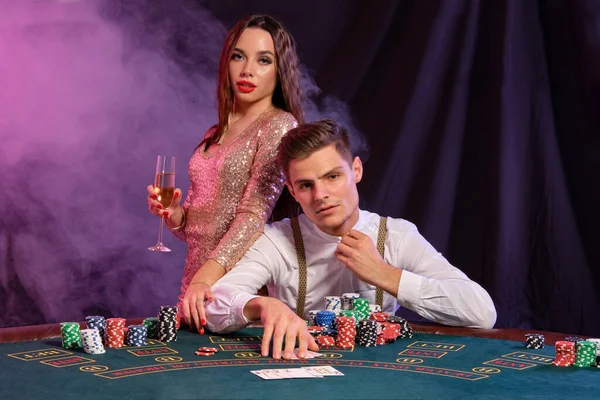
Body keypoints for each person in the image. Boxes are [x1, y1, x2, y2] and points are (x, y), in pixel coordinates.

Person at [204, 119, 497, 359]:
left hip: (382, 377)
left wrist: (386, 275)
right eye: (306, 185)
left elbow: (481, 312)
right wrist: (262, 306)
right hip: (301, 377)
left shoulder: (396, 236)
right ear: (292, 191)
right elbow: (212, 305)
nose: (320, 196)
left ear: (356, 170)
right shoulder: (277, 239)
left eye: (332, 177)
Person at [146, 15, 303, 332]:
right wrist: (176, 215)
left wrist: (205, 278)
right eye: (238, 56)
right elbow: (198, 225)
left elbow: (252, 215)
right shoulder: (215, 130)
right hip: (194, 286)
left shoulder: (279, 124)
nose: (247, 70)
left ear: (279, 70)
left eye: (263, 60)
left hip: (237, 284)